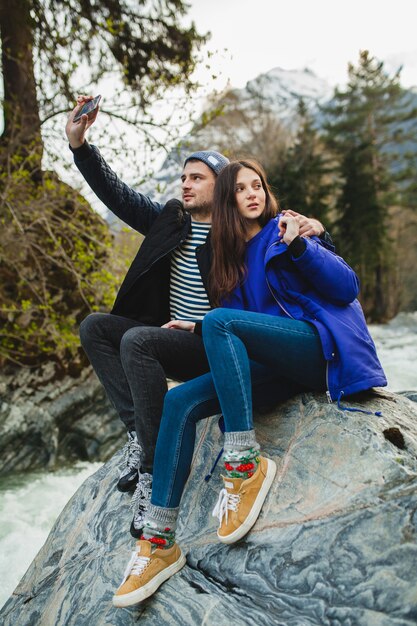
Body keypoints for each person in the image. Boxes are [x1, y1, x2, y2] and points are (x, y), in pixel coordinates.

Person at [112, 159, 387, 608]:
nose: (253, 193)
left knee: (220, 322)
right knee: (180, 400)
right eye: (241, 189)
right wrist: (199, 327)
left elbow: (346, 287)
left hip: (321, 352)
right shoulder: (231, 264)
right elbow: (245, 326)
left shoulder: (285, 231)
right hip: (277, 365)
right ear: (227, 201)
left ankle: (244, 466)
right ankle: (159, 541)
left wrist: (303, 246)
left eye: (257, 185)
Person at [65, 96, 327, 538]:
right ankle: (138, 435)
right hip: (173, 338)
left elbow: (290, 235)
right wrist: (79, 146)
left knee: (138, 341)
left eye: (197, 178)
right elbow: (118, 195)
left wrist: (318, 228)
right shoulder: (170, 220)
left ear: (220, 185)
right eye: (183, 177)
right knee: (96, 327)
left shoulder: (240, 231)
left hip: (218, 345)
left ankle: (151, 472)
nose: (185, 185)